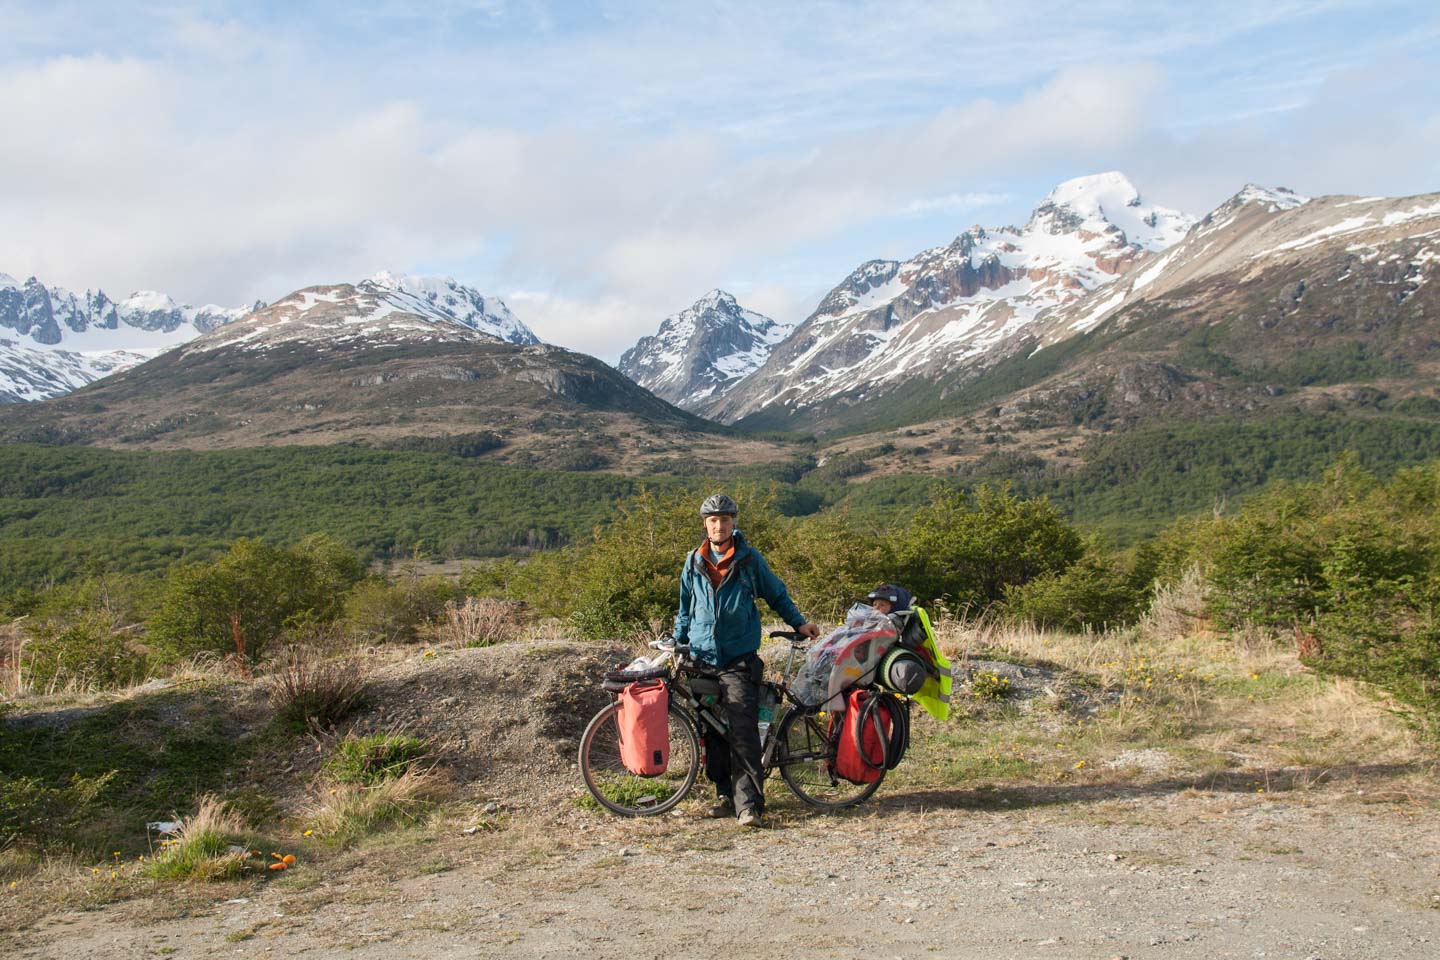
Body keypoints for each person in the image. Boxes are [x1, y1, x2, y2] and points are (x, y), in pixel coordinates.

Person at [673, 493, 820, 828]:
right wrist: (678, 641)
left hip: (738, 658)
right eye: (713, 520)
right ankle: (724, 795)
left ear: (733, 522)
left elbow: (776, 593)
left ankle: (749, 805)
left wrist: (798, 622)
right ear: (705, 525)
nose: (719, 525)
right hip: (701, 657)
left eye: (725, 519)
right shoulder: (693, 561)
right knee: (711, 729)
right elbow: (685, 607)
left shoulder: (749, 559)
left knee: (742, 730)